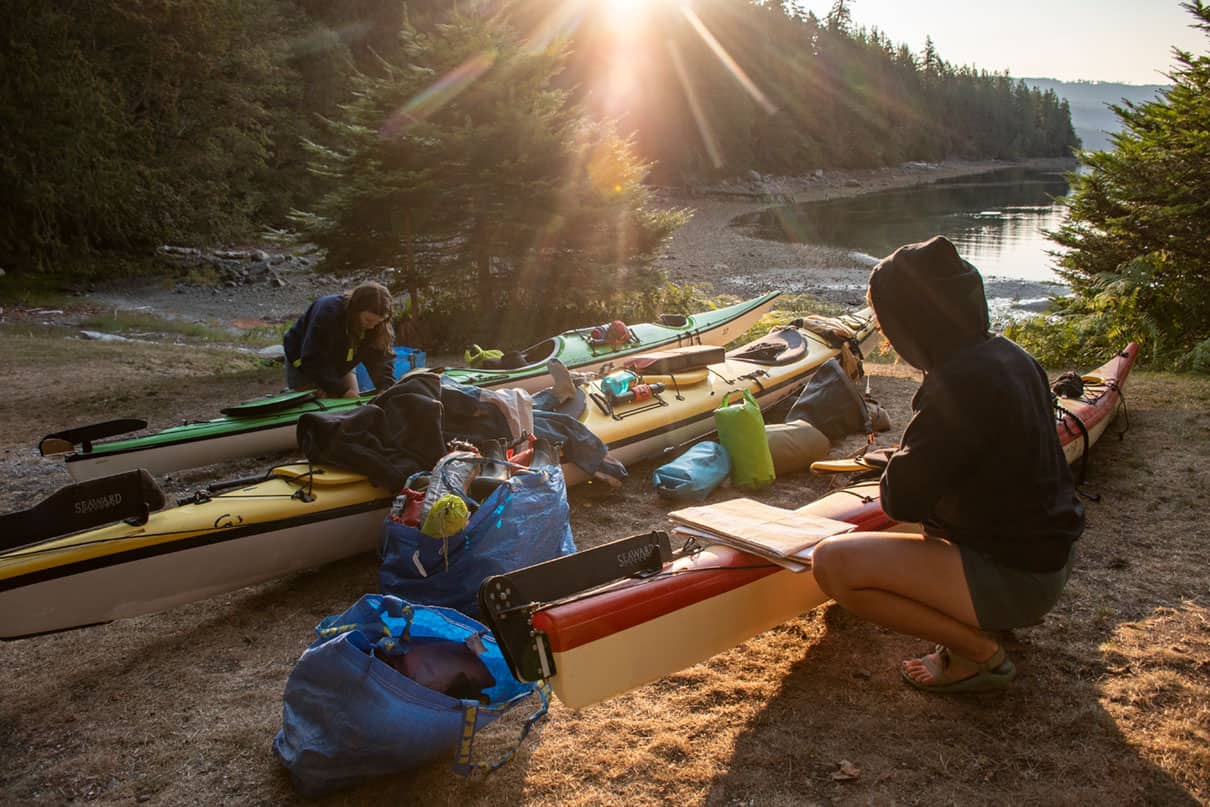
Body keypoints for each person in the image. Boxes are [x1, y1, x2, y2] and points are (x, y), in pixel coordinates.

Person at [810, 235, 1084, 694]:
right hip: (1051, 557)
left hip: (1020, 579)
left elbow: (902, 501)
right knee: (933, 530)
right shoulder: (1012, 355)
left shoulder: (958, 383)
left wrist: (900, 458)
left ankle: (979, 656)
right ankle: (985, 620)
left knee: (831, 563)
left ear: (913, 321)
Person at [283, 281, 395, 398]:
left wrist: (385, 387)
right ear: (356, 310)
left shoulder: (380, 326)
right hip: (304, 357)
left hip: (343, 360)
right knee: (316, 404)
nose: (372, 326)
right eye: (368, 320)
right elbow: (313, 358)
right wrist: (339, 390)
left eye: (378, 322)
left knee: (353, 403)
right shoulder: (329, 314)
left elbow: (380, 358)